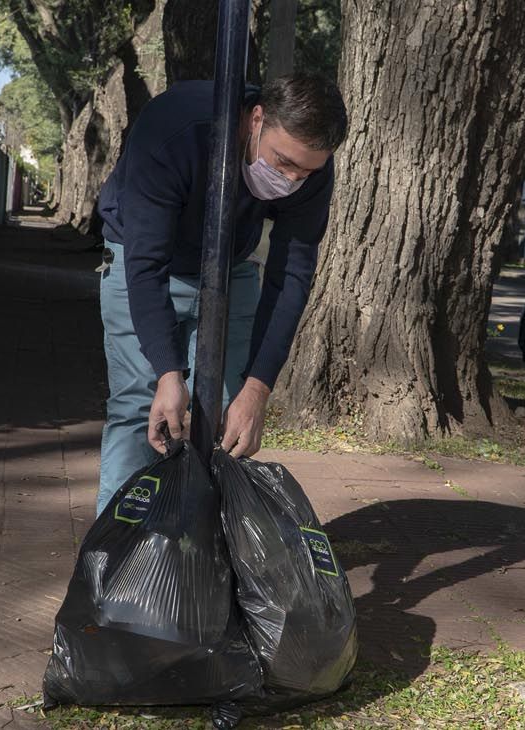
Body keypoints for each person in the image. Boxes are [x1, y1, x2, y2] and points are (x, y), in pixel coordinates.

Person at [95, 73, 347, 514]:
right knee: (141, 409)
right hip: (142, 259)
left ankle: (199, 555)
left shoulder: (314, 171)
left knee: (227, 417)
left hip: (230, 269)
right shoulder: (175, 129)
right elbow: (145, 263)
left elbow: (290, 277)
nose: (291, 180)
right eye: (283, 162)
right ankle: (116, 567)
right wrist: (169, 374)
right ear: (256, 119)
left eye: (305, 172)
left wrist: (257, 390)